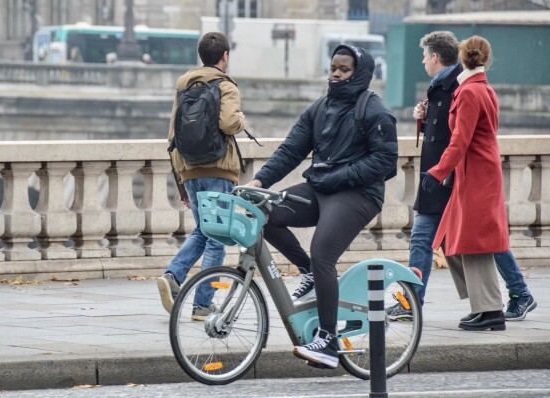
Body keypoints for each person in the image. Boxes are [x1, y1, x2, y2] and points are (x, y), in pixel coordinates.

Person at [246, 45, 398, 368]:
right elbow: (290, 150)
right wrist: (260, 183)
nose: (336, 75)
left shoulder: (374, 111)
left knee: (323, 252)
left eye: (344, 70)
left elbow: (385, 161)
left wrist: (341, 176)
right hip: (322, 187)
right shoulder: (320, 108)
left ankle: (328, 341)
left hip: (358, 194)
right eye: (333, 68)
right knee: (266, 214)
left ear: (359, 74)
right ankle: (309, 273)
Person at [386, 31, 536, 323]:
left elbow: (461, 138)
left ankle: (512, 295)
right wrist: (424, 116)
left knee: (478, 238)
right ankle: (414, 301)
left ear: (435, 57)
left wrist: (439, 171)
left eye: (424, 56)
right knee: (447, 236)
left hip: (451, 175)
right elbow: (452, 126)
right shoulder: (456, 85)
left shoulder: (463, 87)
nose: (422, 61)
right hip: (448, 173)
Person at [422, 35, 509, 331]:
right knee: (454, 240)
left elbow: (460, 140)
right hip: (477, 172)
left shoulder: (470, 92)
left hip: (476, 174)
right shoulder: (481, 88)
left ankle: (491, 311)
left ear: (462, 57)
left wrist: (436, 172)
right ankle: (483, 305)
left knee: (473, 243)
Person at [157, 32, 246, 321]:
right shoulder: (225, 85)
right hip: (218, 169)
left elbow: (172, 136)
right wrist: (242, 120)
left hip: (190, 168)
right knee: (217, 237)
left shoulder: (184, 84)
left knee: (204, 230)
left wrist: (181, 182)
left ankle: (173, 276)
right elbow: (230, 122)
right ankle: (203, 304)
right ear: (225, 57)